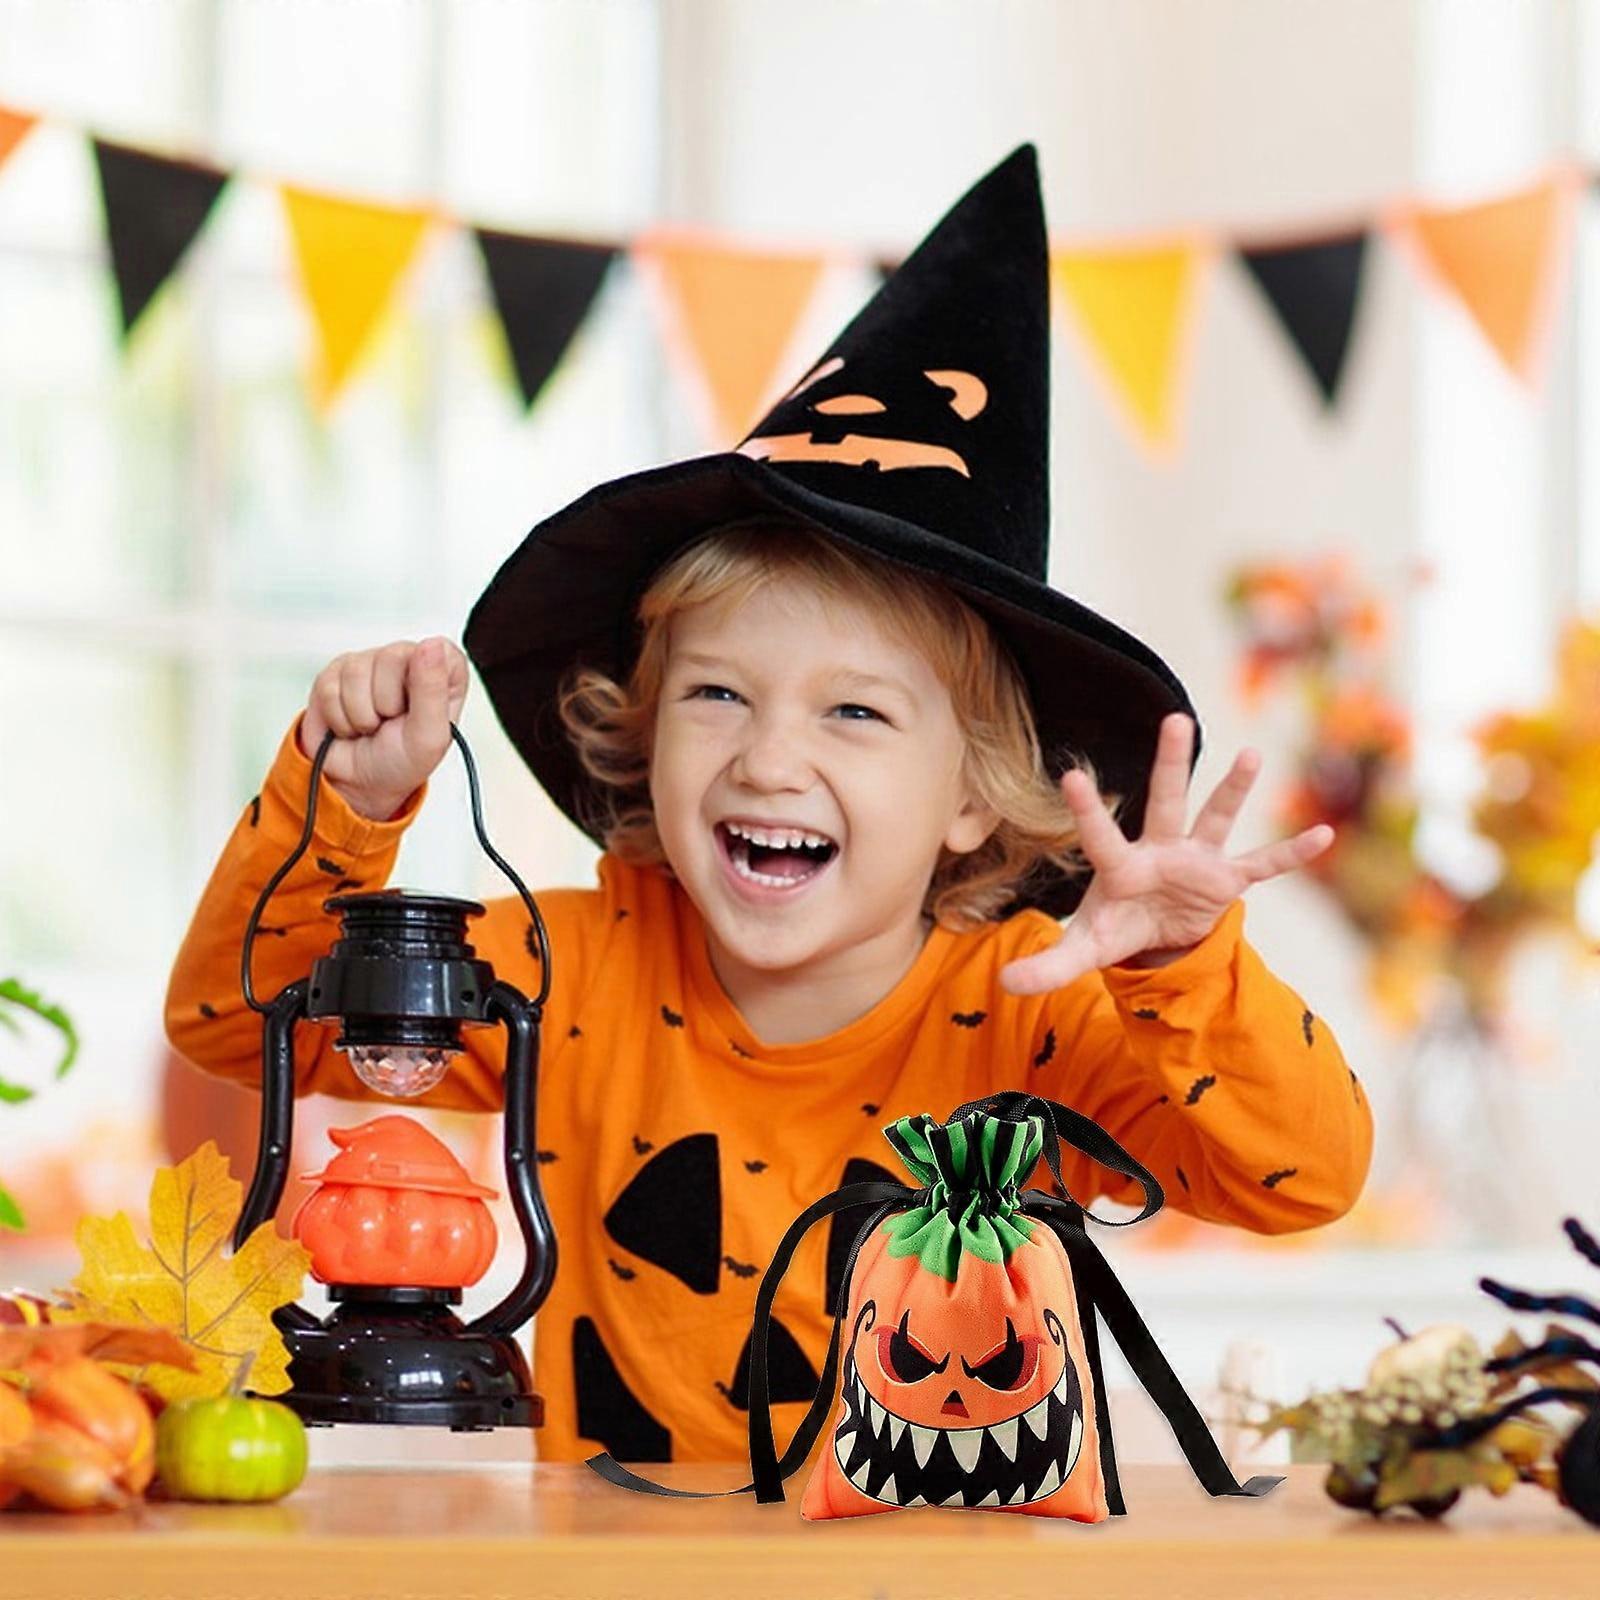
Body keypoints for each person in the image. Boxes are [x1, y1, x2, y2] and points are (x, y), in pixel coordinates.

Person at [163, 144, 1372, 1466]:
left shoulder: (1038, 1013)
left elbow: (1302, 1181)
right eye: (718, 696)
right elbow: (231, 1022)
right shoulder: (561, 971)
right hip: (617, 1552)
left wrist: (1186, 970)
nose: (769, 760)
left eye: (854, 713)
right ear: (642, 736)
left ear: (975, 799)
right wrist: (346, 805)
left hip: (952, 1546)